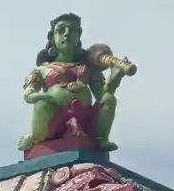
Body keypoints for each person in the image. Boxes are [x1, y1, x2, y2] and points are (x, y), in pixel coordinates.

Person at [18, 13, 126, 153]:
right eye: (61, 30)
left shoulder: (88, 69)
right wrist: (49, 97)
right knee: (41, 103)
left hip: (84, 118)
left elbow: (102, 96)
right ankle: (34, 137)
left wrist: (115, 78)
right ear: (53, 38)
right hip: (53, 118)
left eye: (72, 30)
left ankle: (101, 138)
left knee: (109, 99)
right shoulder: (41, 70)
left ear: (78, 37)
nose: (67, 34)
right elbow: (28, 95)